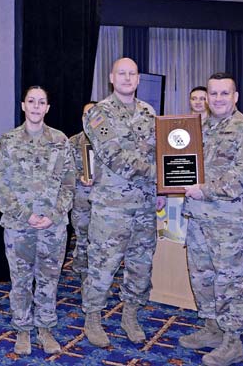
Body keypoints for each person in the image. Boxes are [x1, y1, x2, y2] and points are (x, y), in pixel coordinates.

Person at [179, 73, 243, 366]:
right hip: (198, 219)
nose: (217, 99)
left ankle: (232, 342)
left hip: (228, 225)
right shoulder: (197, 128)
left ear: (235, 96)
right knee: (202, 276)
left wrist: (205, 190)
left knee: (229, 282)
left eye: (224, 93)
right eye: (213, 93)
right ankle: (212, 328)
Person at [81, 57, 166, 347]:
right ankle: (93, 317)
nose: (127, 78)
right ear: (111, 78)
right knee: (103, 264)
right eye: (122, 73)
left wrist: (162, 187)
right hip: (112, 208)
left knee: (140, 265)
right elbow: (114, 156)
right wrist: (159, 175)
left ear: (138, 79)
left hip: (144, 206)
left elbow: (159, 151)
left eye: (132, 74)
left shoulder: (149, 112)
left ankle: (130, 315)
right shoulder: (98, 113)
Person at [0, 86, 75, 355]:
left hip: (53, 226)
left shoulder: (61, 140)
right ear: (23, 106)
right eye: (31, 101)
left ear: (47, 108)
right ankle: (23, 329)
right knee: (20, 281)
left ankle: (45, 328)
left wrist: (53, 215)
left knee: (49, 280)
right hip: (19, 226)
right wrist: (25, 215)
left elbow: (69, 184)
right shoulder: (8, 141)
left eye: (41, 102)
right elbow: (0, 186)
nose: (36, 106)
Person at [69, 101, 97, 283]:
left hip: (104, 202)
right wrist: (79, 176)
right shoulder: (72, 142)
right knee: (82, 240)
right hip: (81, 200)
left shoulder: (109, 142)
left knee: (101, 243)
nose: (89, 117)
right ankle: (82, 274)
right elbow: (65, 171)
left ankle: (96, 280)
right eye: (86, 114)